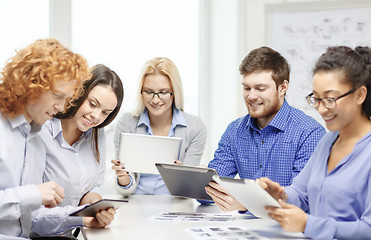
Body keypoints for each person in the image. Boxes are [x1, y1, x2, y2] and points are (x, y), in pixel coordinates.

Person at [258, 46, 371, 239]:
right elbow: (302, 194)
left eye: (329, 98)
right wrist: (280, 196)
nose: (321, 109)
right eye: (316, 98)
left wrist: (308, 224)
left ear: (360, 95)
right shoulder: (328, 141)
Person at [204, 46, 326, 211]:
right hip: (247, 229)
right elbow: (211, 190)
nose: (251, 96)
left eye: (260, 88)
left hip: (293, 231)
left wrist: (248, 202)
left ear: (282, 88)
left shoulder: (310, 132)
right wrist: (197, 181)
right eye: (247, 88)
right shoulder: (234, 131)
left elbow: (304, 197)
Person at [0, 38, 90, 239]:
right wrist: (34, 194)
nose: (61, 107)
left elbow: (30, 218)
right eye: (57, 95)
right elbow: (28, 199)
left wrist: (81, 216)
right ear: (30, 84)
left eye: (66, 99)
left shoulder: (36, 142)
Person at [34, 64, 123, 233]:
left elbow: (94, 185)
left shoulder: (97, 133)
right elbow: (31, 210)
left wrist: (96, 207)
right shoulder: (41, 130)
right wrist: (81, 219)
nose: (96, 116)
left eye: (105, 112)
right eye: (92, 104)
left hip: (67, 233)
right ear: (79, 93)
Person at [111, 57, 207, 196]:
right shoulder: (126, 123)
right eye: (149, 92)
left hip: (175, 206)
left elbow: (186, 191)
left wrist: (181, 177)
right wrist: (123, 177)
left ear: (174, 92)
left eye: (163, 92)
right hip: (135, 204)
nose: (155, 100)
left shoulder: (195, 128)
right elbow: (124, 189)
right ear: (141, 92)